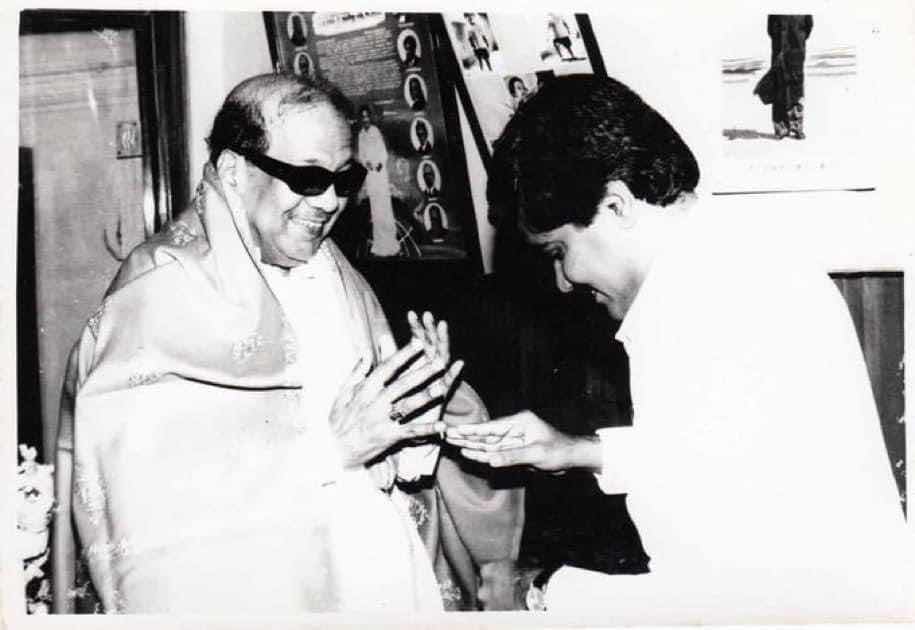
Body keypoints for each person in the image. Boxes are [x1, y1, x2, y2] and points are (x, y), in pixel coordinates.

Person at [446, 75, 913, 623]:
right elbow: (714, 457)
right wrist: (576, 450)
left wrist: (539, 591)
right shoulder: (725, 262)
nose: (564, 282)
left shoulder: (702, 312)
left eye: (559, 251)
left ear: (616, 205)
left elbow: (713, 595)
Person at [52, 73, 523, 614]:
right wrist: (332, 450)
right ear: (233, 171)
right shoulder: (160, 286)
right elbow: (142, 503)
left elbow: (386, 457)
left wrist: (416, 411)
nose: (330, 202)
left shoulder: (334, 270)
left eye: (344, 180)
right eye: (307, 178)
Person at [357, 105, 399, 256]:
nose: (365, 120)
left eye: (367, 116)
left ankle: (391, 245)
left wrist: (379, 163)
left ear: (370, 117)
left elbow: (383, 153)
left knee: (385, 209)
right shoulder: (361, 134)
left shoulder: (375, 131)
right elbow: (361, 155)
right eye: (363, 117)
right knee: (376, 211)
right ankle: (380, 246)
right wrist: (366, 163)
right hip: (371, 176)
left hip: (380, 175)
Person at [767, 14, 813, 139]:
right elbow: (771, 29)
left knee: (795, 87)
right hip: (782, 49)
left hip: (795, 49)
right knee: (781, 86)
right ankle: (784, 128)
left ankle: (795, 126)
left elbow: (809, 25)